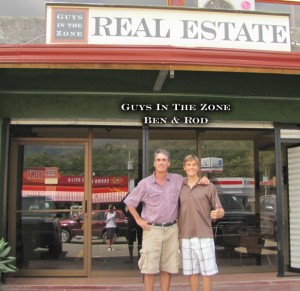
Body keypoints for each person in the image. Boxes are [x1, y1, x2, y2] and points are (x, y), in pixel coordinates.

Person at [124, 149, 210, 291]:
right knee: (149, 269)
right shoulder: (145, 184)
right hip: (152, 230)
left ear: (168, 163)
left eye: (164, 160)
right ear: (154, 163)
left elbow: (192, 180)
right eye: (158, 160)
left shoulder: (177, 180)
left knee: (167, 269)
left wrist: (204, 178)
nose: (161, 162)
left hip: (171, 230)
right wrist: (138, 220)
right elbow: (129, 202)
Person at [179, 155, 225, 291]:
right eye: (188, 164)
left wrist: (218, 213)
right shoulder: (179, 186)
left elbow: (221, 209)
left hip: (204, 235)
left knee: (207, 273)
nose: (191, 167)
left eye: (194, 165)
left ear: (198, 167)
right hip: (186, 236)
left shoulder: (208, 186)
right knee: (191, 272)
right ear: (184, 167)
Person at [121, 194, 143, 263]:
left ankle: (132, 258)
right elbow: (121, 204)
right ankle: (138, 258)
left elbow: (121, 204)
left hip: (133, 220)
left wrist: (127, 214)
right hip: (140, 219)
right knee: (139, 240)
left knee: (132, 240)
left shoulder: (132, 195)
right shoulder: (142, 194)